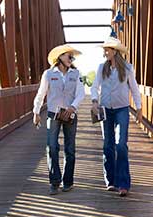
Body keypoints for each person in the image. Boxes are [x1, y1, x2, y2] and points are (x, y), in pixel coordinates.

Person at [91, 37, 142, 197]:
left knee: (121, 145)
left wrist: (139, 108)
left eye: (108, 49)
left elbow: (134, 89)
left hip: (122, 109)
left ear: (115, 52)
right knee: (108, 145)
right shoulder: (101, 68)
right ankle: (111, 181)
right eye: (105, 49)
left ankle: (123, 183)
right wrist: (94, 101)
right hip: (106, 109)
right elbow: (94, 86)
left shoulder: (127, 68)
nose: (105, 52)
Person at [33, 44, 85, 195]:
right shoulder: (48, 74)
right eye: (68, 55)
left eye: (72, 56)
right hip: (53, 114)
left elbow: (80, 93)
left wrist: (72, 107)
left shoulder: (76, 74)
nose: (71, 58)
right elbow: (41, 93)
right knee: (52, 146)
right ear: (60, 57)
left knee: (70, 149)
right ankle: (54, 182)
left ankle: (67, 182)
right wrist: (36, 111)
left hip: (70, 115)